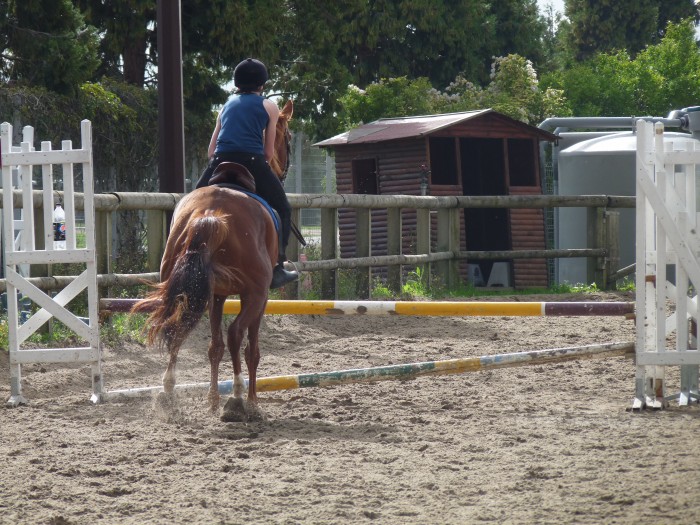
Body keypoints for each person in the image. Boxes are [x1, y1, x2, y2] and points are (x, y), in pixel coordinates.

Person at [196, 58, 298, 289]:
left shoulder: (226, 105)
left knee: (189, 204)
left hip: (220, 159)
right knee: (283, 208)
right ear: (261, 84)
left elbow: (211, 150)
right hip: (252, 161)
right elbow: (268, 151)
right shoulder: (269, 106)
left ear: (237, 82)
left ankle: (180, 253)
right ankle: (278, 267)